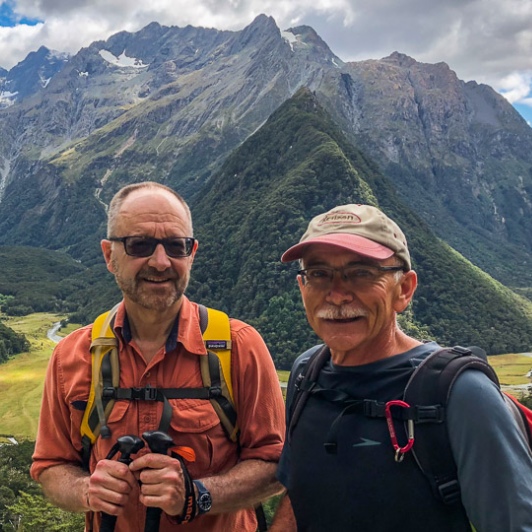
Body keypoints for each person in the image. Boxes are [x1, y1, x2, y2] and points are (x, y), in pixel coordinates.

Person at [31, 181, 285, 531]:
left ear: (191, 253)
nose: (161, 261)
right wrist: (86, 490)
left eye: (176, 246)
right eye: (140, 245)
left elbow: (276, 466)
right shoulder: (72, 357)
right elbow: (49, 466)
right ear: (109, 255)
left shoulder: (239, 348)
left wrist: (198, 495)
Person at [271, 203, 532, 532]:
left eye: (361, 273)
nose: (336, 295)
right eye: (319, 274)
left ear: (404, 289)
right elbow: (298, 492)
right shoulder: (306, 373)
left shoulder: (461, 393)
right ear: (302, 287)